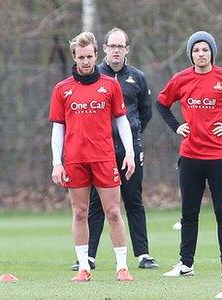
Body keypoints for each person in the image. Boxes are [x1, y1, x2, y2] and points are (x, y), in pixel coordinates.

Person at [157, 31, 222, 277]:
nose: (200, 54)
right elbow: (162, 104)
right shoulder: (180, 79)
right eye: (196, 50)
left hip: (219, 156)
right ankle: (186, 264)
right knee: (189, 212)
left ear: (212, 52)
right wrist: (176, 126)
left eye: (205, 50)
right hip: (190, 156)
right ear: (191, 54)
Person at [49, 32, 135, 282]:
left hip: (104, 158)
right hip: (75, 160)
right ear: (74, 58)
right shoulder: (62, 89)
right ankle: (84, 267)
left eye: (89, 56)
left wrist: (128, 153)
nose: (85, 61)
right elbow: (57, 128)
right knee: (79, 212)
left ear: (96, 55)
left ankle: (122, 266)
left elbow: (122, 122)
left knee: (113, 212)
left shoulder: (110, 86)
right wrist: (57, 162)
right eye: (81, 57)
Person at [70, 27, 158, 271]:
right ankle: (89, 256)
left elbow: (145, 112)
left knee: (133, 200)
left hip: (129, 148)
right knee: (98, 205)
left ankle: (143, 254)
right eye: (112, 45)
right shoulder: (95, 76)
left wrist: (132, 137)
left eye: (121, 46)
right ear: (104, 49)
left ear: (127, 50)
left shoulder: (137, 77)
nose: (116, 50)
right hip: (99, 149)